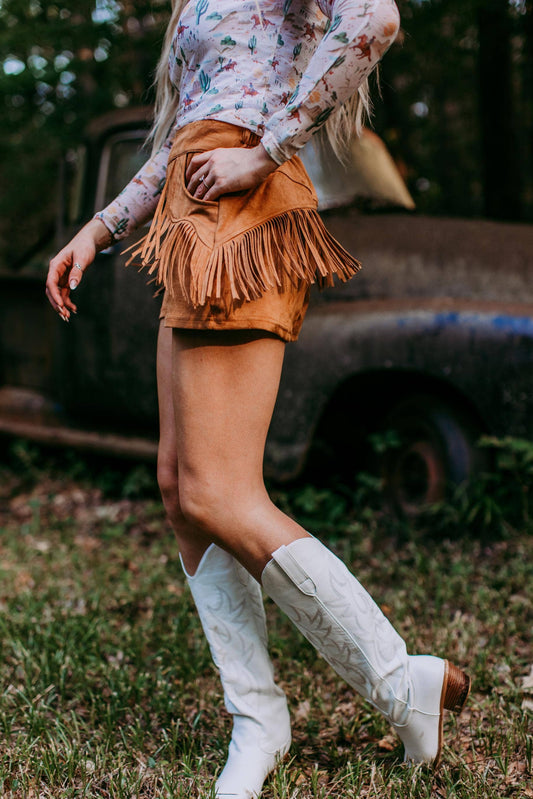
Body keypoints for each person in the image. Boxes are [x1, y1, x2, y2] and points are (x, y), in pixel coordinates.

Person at [46, 1, 470, 797]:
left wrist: (265, 153)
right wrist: (97, 230)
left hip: (242, 209)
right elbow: (182, 133)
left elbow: (373, 17)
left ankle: (396, 678)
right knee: (182, 490)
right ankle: (258, 715)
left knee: (220, 492)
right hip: (192, 212)